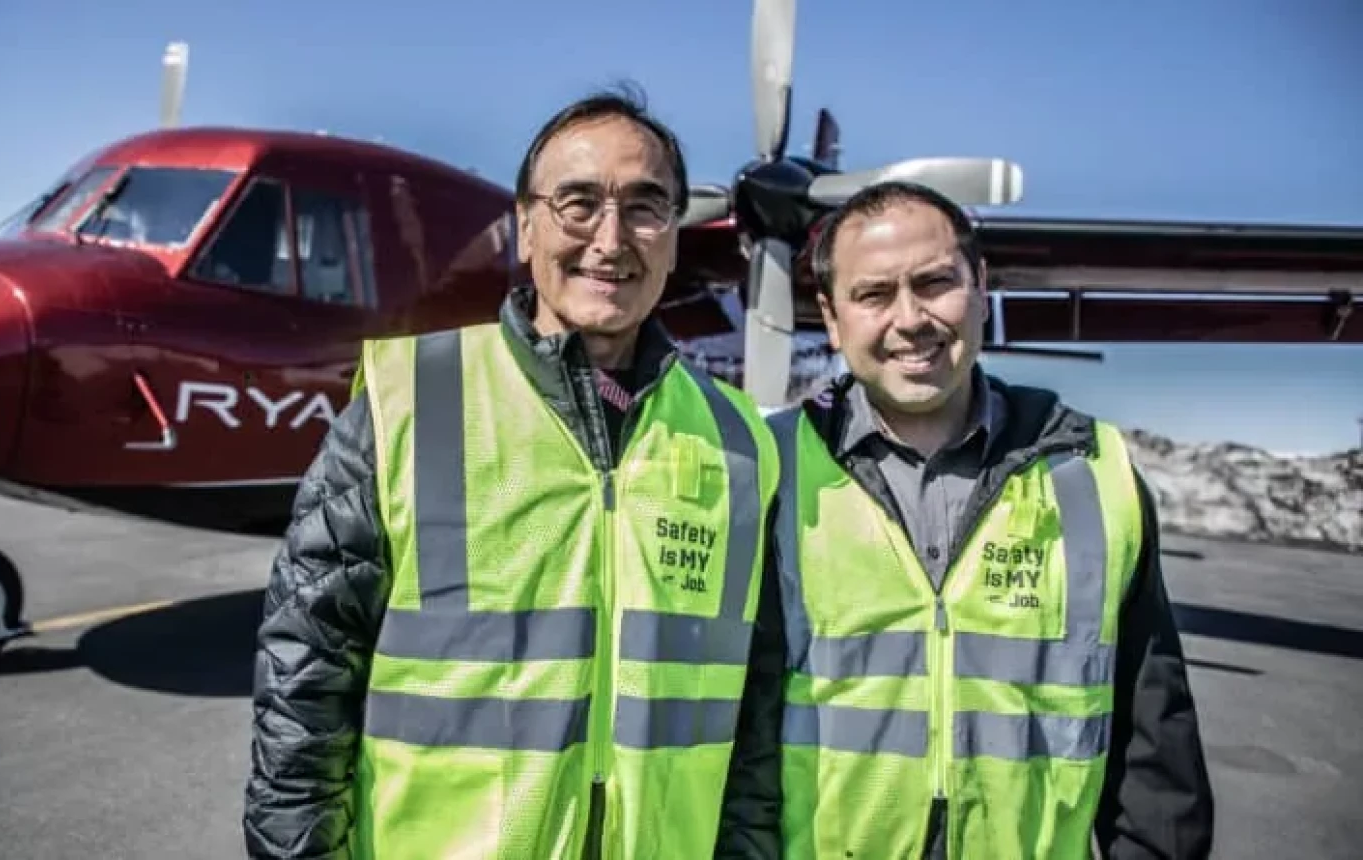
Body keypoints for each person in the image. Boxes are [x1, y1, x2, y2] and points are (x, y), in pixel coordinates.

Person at [242, 85, 787, 860]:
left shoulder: (739, 440)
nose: (610, 238)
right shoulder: (412, 401)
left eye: (644, 206)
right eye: (576, 203)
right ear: (524, 228)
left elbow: (755, 707)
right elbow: (306, 666)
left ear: (673, 236)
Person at [764, 180, 1215, 858]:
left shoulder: (1093, 474)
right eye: (874, 294)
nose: (910, 319)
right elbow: (734, 733)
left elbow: (1154, 747)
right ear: (831, 318)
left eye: (935, 282)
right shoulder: (768, 473)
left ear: (981, 283)